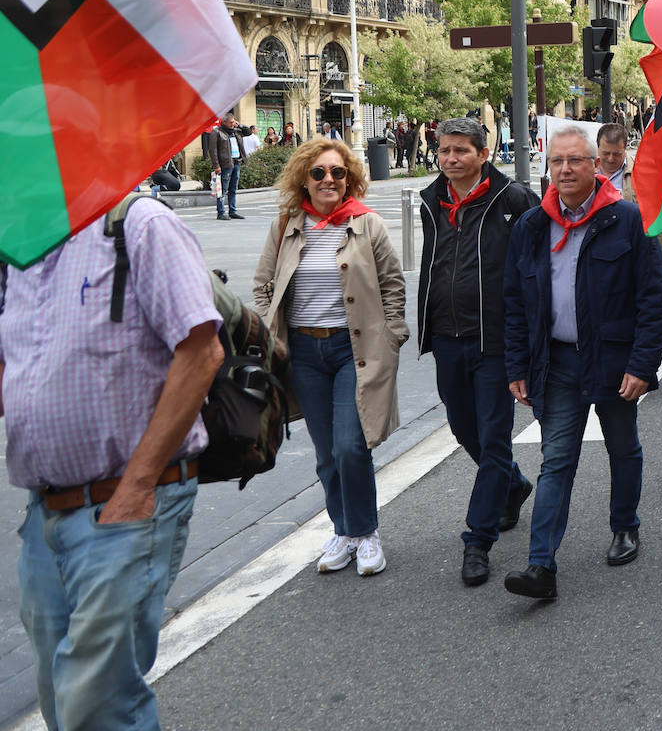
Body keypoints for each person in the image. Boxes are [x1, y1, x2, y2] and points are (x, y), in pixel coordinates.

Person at [0, 199, 223, 729]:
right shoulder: (15, 250)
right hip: (46, 512)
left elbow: (202, 353)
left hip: (125, 501)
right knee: (61, 699)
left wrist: (137, 487)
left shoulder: (140, 226)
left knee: (97, 705)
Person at [502, 126, 662, 600]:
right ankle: (541, 566)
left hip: (613, 359)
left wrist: (642, 365)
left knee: (622, 446)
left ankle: (624, 525)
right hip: (555, 362)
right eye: (557, 162)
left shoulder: (627, 220)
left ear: (596, 166)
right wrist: (517, 365)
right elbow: (516, 303)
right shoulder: (531, 227)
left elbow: (654, 301)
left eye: (576, 161)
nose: (566, 170)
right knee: (556, 458)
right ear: (548, 168)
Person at [253, 138, 408, 576]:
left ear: (349, 179)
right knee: (326, 453)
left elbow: (392, 285)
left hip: (352, 350)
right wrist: (269, 325)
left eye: (337, 173)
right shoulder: (287, 225)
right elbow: (264, 282)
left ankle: (366, 532)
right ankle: (343, 531)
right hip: (301, 351)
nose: (328, 180)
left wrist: (392, 336)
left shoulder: (366, 224)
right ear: (304, 177)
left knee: (350, 446)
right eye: (319, 172)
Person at [417, 118, 538, 587]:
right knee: (464, 430)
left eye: (461, 151)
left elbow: (533, 268)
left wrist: (527, 339)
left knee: (492, 440)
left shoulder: (513, 200)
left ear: (482, 153)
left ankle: (478, 539)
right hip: (447, 338)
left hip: (495, 342)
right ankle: (513, 484)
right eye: (445, 150)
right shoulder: (432, 200)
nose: (450, 159)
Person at [209, 115, 244, 221]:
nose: (233, 124)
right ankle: (221, 212)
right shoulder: (217, 132)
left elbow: (248, 132)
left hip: (236, 162)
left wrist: (240, 125)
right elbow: (213, 150)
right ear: (224, 122)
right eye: (230, 122)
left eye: (234, 122)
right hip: (225, 164)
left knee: (233, 188)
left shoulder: (236, 131)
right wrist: (216, 165)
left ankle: (232, 211)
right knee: (222, 189)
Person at [596, 122, 635, 202]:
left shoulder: (639, 171)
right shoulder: (585, 169)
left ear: (625, 148)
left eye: (616, 154)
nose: (610, 159)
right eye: (606, 153)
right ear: (598, 147)